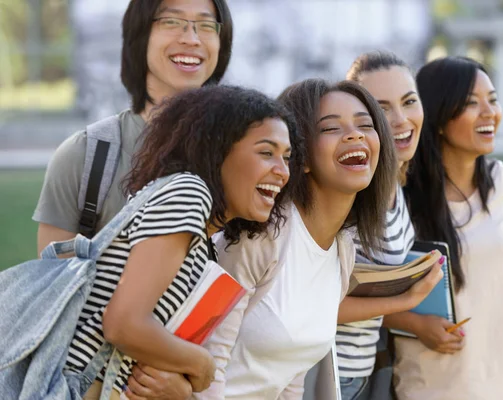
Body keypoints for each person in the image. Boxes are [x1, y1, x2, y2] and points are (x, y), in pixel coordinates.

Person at [63, 85, 300, 399]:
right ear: (218, 151)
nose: (282, 172)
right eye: (266, 152)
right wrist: (203, 366)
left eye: (287, 158)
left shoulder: (202, 244)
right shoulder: (188, 193)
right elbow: (123, 324)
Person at [194, 79, 397, 399]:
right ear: (297, 154)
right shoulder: (259, 236)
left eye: (365, 125)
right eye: (331, 128)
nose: (355, 135)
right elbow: (207, 364)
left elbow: (292, 374)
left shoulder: (342, 250)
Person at [385, 56, 503, 400]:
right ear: (439, 116)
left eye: (493, 99)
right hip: (429, 390)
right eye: (472, 103)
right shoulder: (397, 199)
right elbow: (353, 298)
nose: (490, 112)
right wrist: (414, 325)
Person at [34, 0, 233, 251]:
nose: (191, 39)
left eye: (206, 25)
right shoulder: (84, 156)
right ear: (138, 36)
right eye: (171, 21)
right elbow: (56, 285)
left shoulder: (247, 152)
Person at [334, 51, 442, 400]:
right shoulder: (353, 195)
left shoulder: (393, 184)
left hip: (362, 374)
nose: (401, 119)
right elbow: (313, 303)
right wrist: (406, 300)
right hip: (326, 377)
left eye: (409, 102)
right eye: (382, 109)